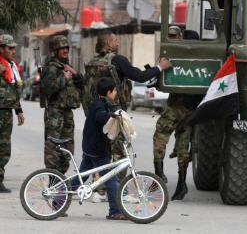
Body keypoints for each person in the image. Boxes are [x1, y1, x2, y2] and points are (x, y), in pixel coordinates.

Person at [90, 32, 172, 179]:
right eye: (115, 41)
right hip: (115, 113)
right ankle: (119, 188)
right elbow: (139, 76)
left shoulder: (93, 62)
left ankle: (99, 188)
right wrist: (160, 67)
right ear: (108, 43)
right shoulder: (118, 60)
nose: (118, 43)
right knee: (120, 152)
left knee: (101, 151)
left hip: (96, 112)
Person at [71, 77, 126, 220]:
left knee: (81, 177)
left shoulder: (103, 102)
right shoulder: (99, 106)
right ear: (109, 92)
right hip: (96, 149)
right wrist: (112, 115)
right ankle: (115, 211)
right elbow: (101, 117)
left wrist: (119, 115)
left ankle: (58, 203)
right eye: (114, 91)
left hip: (91, 147)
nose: (115, 93)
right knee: (111, 179)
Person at [41, 35, 83, 175]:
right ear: (55, 50)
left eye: (66, 48)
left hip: (67, 112)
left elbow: (81, 85)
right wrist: (63, 79)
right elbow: (47, 88)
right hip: (55, 112)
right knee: (53, 147)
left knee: (68, 148)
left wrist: (75, 74)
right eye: (61, 48)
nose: (65, 50)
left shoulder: (67, 66)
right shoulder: (51, 67)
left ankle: (61, 176)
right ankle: (54, 179)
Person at [153, 93, 202, 200]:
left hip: (177, 105)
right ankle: (181, 183)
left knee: (160, 135)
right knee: (183, 146)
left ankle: (159, 174)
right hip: (194, 110)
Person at [0, 34, 25, 193]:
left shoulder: (12, 66)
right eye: (10, 48)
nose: (13, 51)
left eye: (14, 48)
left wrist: (19, 110)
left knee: (4, 148)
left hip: (6, 112)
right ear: (1, 49)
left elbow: (13, 92)